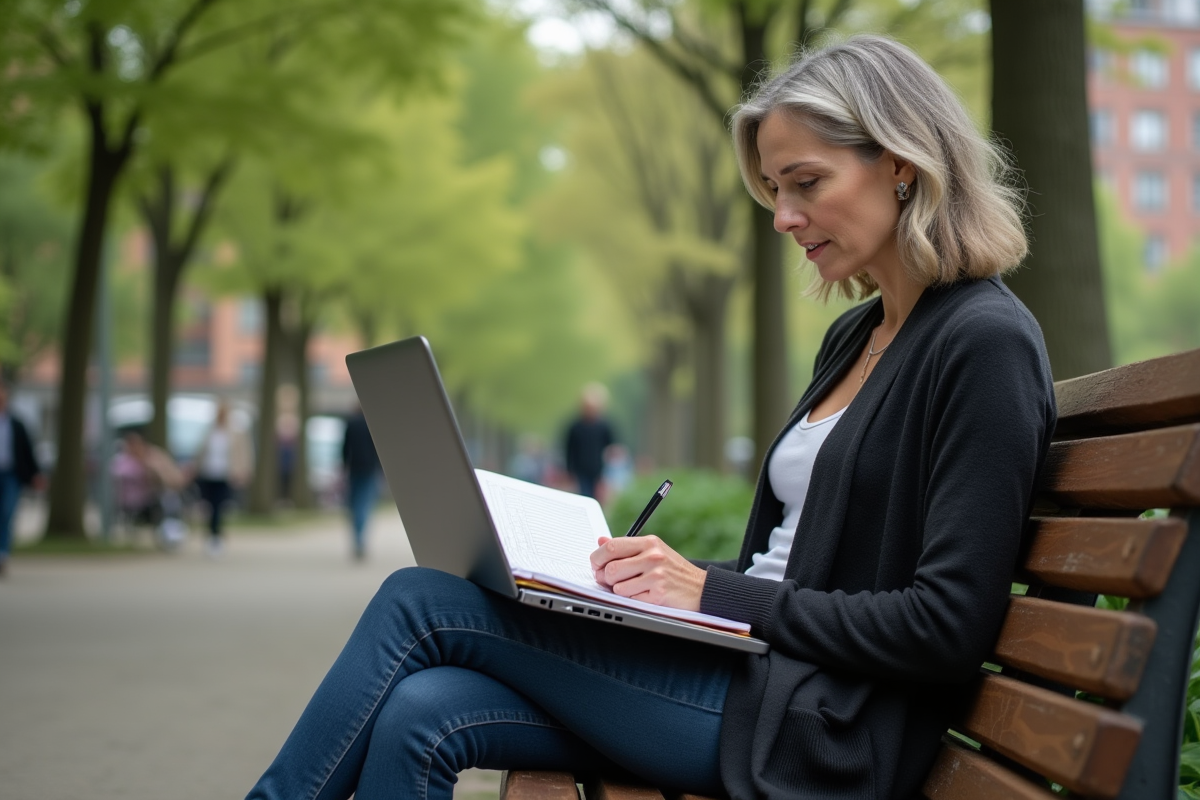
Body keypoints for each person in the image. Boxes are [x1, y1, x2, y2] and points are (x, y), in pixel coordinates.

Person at [246, 35, 1055, 800]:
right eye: (775, 190)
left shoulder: (983, 344)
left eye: (807, 183)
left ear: (902, 164)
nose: (783, 217)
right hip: (752, 677)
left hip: (818, 725)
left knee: (420, 601)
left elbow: (946, 625)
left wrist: (710, 592)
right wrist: (663, 601)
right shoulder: (859, 334)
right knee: (422, 713)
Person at [192, 400, 253, 557]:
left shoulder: (235, 432)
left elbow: (243, 453)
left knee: (219, 506)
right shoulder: (210, 431)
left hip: (225, 475)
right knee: (208, 507)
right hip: (208, 473)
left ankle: (216, 538)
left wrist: (243, 471)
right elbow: (201, 453)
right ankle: (211, 536)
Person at [0, 380, 44, 577]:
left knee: (7, 514)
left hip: (10, 474)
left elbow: (27, 451)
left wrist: (35, 474)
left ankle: (3, 555)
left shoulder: (16, 424)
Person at [562, 383, 617, 499]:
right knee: (585, 495)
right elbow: (570, 449)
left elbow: (610, 446)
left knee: (598, 497)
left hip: (599, 469)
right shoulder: (576, 427)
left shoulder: (604, 426)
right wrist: (569, 470)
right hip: (580, 469)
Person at [342, 405, 381, 561]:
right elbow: (378, 448)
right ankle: (360, 540)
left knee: (354, 504)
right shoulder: (371, 424)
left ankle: (357, 540)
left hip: (354, 469)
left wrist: (344, 465)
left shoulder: (351, 423)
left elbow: (345, 448)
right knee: (364, 504)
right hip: (370, 469)